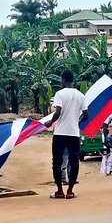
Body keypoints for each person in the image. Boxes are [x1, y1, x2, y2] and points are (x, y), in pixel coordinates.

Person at [44, 70, 88, 199]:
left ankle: (59, 190)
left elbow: (58, 112)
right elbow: (86, 115)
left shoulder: (60, 94)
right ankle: (70, 190)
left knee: (56, 162)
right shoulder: (80, 95)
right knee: (74, 162)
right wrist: (76, 122)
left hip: (60, 133)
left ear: (63, 79)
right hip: (73, 133)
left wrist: (49, 122)